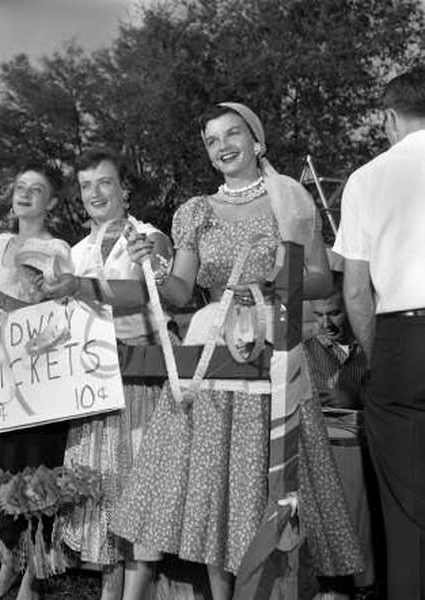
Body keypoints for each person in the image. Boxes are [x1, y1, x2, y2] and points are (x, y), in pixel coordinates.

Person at [111, 103, 363, 600]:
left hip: (274, 343)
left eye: (233, 134)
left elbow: (316, 278)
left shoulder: (288, 200)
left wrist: (271, 276)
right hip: (211, 349)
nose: (223, 146)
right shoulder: (195, 211)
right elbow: (182, 292)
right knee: (213, 480)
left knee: (270, 476)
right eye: (211, 140)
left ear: (257, 141)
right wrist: (154, 268)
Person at [41, 147, 175, 600]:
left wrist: (78, 286)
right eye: (85, 186)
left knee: (138, 489)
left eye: (104, 182)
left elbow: (143, 293)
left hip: (139, 380)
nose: (94, 193)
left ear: (125, 188)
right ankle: (109, 589)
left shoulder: (150, 236)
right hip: (89, 386)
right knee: (99, 493)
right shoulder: (74, 251)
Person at [332, 64, 425, 600]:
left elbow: (355, 293)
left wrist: (378, 355)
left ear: (390, 117)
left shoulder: (367, 178)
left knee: (407, 516)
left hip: (400, 341)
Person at [0, 164, 73, 600]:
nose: (25, 194)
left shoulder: (56, 249)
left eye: (37, 189)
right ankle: (8, 563)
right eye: (20, 187)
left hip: (36, 381)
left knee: (33, 474)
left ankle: (32, 575)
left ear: (52, 202)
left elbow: (56, 319)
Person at [304, 291, 376, 598]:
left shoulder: (371, 349)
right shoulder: (305, 351)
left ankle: (363, 583)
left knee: (362, 518)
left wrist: (355, 399)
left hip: (364, 444)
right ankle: (333, 582)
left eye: (333, 313)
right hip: (319, 446)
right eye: (318, 315)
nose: (326, 323)